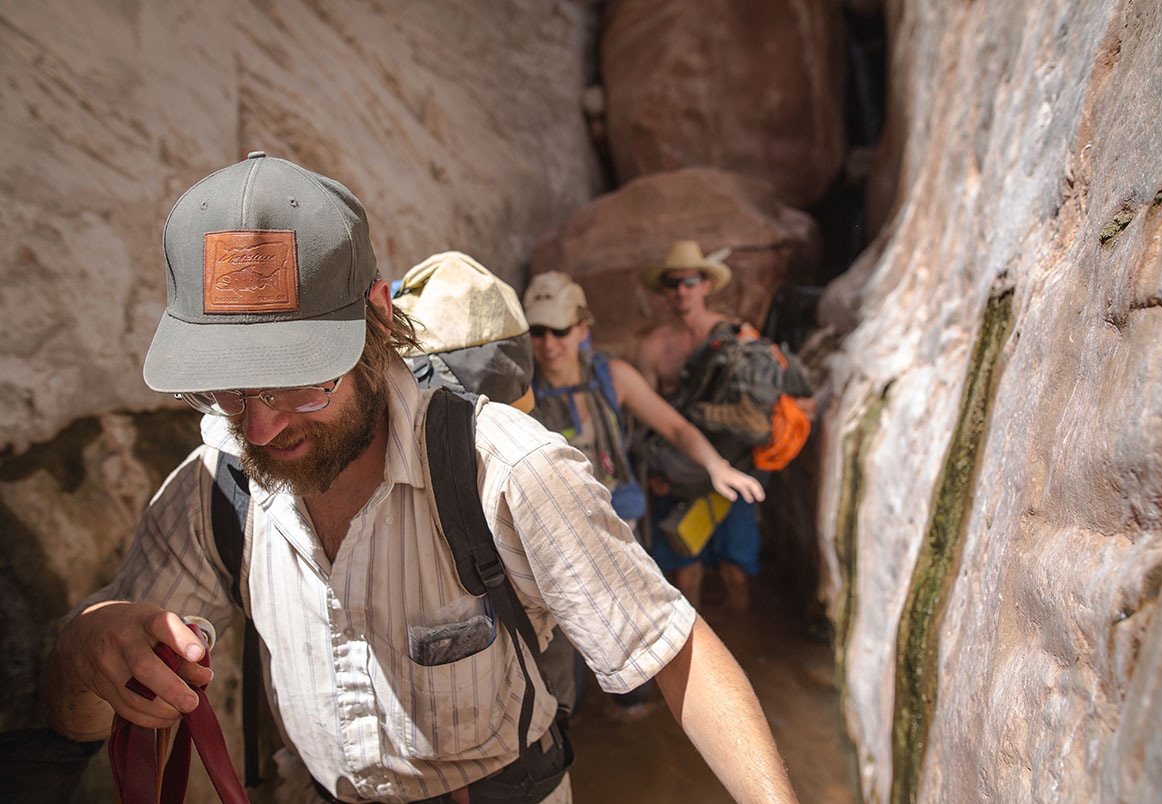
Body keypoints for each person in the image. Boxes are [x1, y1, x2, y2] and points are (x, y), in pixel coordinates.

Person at [41, 153, 799, 804]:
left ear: (377, 319)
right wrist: (87, 645)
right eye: (229, 391)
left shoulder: (505, 469)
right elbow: (80, 719)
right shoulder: (215, 487)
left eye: (300, 383)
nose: (262, 427)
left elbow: (673, 652)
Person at [521, 271, 764, 717]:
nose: (549, 344)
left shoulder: (611, 377)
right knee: (565, 664)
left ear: (582, 328)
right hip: (556, 538)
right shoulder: (522, 391)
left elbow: (674, 426)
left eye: (559, 330)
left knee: (632, 661)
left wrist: (716, 466)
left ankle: (632, 717)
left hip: (616, 527)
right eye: (537, 331)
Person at [635, 240, 768, 612]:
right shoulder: (653, 346)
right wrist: (652, 474)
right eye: (673, 283)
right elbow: (645, 419)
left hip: (734, 467)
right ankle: (696, 647)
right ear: (664, 290)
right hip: (676, 473)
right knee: (684, 575)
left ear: (706, 285)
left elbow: (764, 398)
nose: (682, 290)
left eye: (690, 281)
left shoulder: (738, 335)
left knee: (736, 572)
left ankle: (742, 638)